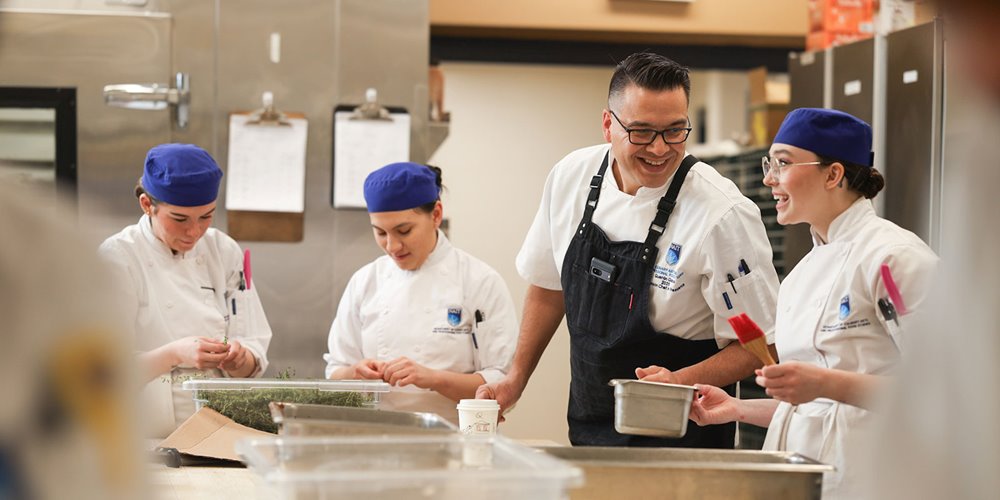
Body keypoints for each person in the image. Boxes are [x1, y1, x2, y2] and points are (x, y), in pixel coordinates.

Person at [477, 52, 781, 448]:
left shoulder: (722, 214)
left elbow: (760, 343)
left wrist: (678, 382)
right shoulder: (572, 177)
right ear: (608, 124)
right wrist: (516, 377)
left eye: (675, 131)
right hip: (589, 423)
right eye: (641, 132)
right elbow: (550, 288)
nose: (659, 149)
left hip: (684, 434)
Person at [689, 108, 938, 499]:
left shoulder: (892, 259)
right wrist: (738, 410)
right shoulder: (800, 276)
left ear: (833, 174)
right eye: (769, 164)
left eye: (783, 164)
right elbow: (816, 410)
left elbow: (938, 389)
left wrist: (826, 382)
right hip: (801, 479)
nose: (769, 179)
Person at [99, 143, 272, 437]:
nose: (194, 232)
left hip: (221, 428)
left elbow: (255, 346)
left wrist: (241, 359)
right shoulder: (118, 258)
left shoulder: (224, 250)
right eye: (179, 219)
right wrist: (175, 354)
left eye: (206, 216)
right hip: (145, 438)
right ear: (146, 205)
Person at [324, 162, 518, 422]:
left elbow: (503, 382)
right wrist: (355, 373)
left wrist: (433, 378)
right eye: (380, 233)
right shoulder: (365, 282)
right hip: (374, 438)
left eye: (404, 231)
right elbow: (335, 370)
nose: (392, 246)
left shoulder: (479, 281)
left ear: (436, 214)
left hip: (456, 442)